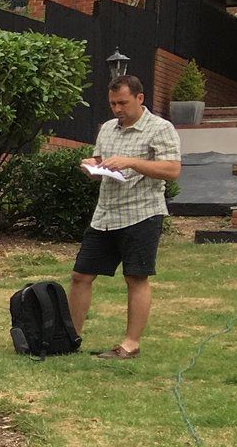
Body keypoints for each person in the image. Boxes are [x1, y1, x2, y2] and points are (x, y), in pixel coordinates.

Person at [69, 73, 181, 360]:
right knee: (81, 275)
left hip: (142, 213)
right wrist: (91, 164)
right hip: (105, 214)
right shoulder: (107, 129)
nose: (117, 109)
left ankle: (131, 344)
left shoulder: (160, 128)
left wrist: (131, 161)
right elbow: (100, 159)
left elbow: (171, 170)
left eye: (123, 103)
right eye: (113, 104)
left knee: (135, 277)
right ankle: (70, 337)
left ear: (140, 98)